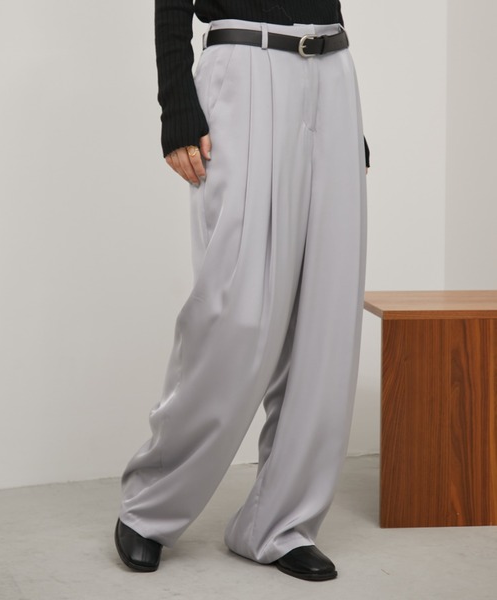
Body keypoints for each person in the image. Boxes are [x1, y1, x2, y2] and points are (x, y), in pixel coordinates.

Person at [114, 0, 369, 582]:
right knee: (236, 310)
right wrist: (177, 105)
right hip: (246, 64)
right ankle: (152, 504)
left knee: (325, 310)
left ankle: (279, 523)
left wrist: (344, 118)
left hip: (332, 68)